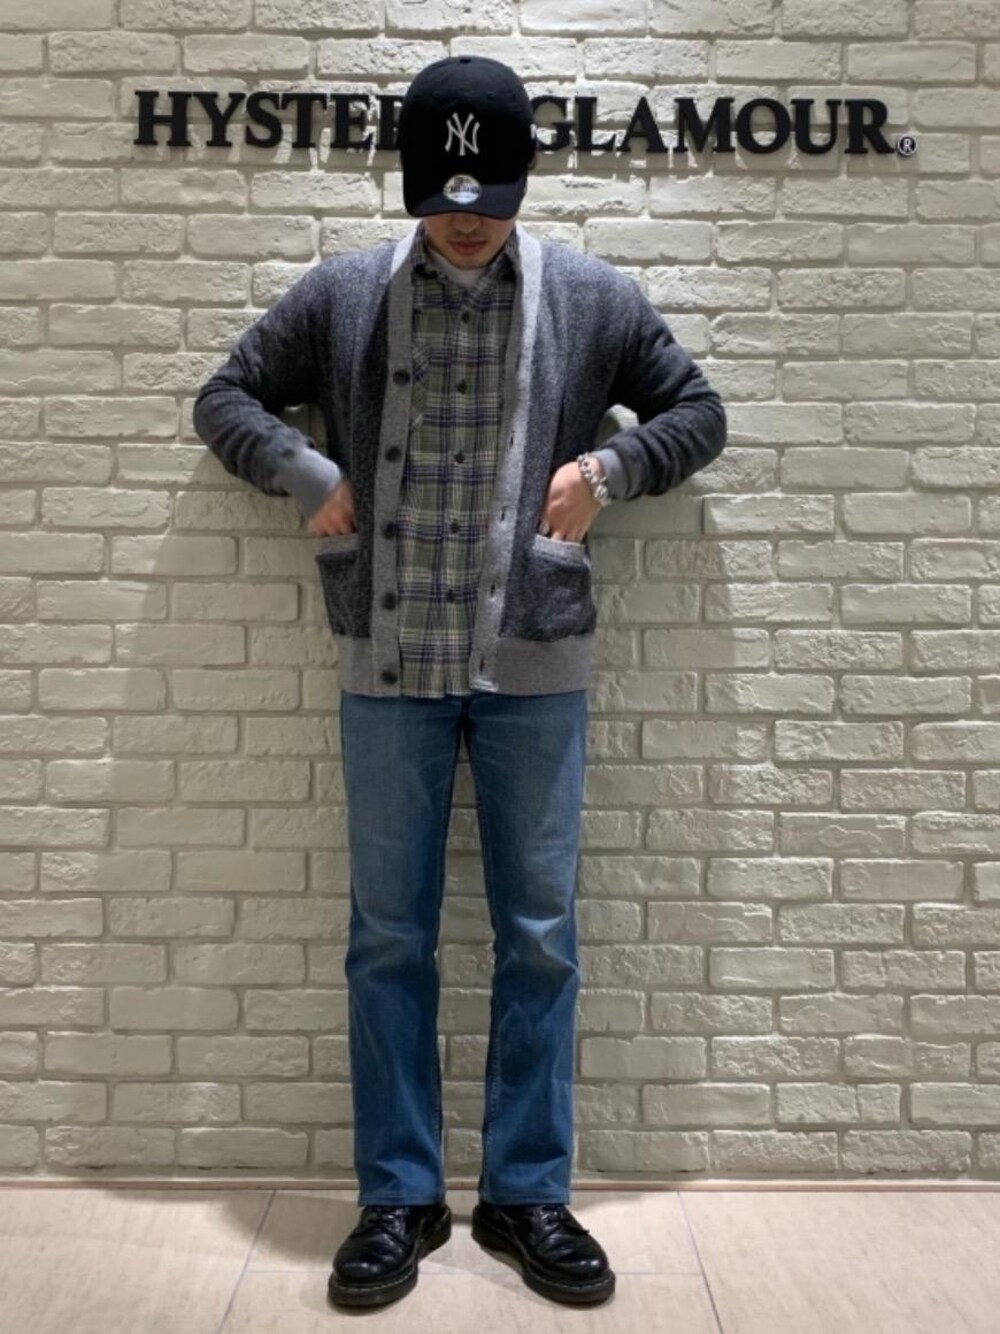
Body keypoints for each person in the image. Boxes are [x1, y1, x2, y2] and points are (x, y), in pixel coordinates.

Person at [193, 53, 726, 1311]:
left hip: (532, 657)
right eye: (442, 197)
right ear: (412, 182)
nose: (466, 218)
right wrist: (307, 472)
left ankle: (528, 1192)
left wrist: (606, 471)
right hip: (391, 662)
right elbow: (225, 397)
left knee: (540, 935)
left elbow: (696, 411)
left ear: (523, 182)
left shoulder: (591, 295)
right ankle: (399, 1193)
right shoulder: (341, 294)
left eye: (487, 197)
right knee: (388, 935)